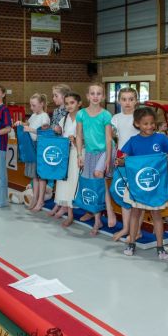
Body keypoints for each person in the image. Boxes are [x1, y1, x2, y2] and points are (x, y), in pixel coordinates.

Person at [119, 106, 168, 259]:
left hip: (155, 186)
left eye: (152, 123)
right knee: (135, 214)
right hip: (137, 186)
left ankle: (160, 247)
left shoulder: (161, 139)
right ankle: (131, 243)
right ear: (137, 124)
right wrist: (119, 162)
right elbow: (125, 159)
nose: (150, 126)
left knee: (157, 215)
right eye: (145, 124)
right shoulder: (133, 141)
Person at [75, 83, 113, 235]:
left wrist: (108, 159)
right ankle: (96, 215)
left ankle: (101, 217)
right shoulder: (81, 114)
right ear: (88, 96)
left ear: (103, 96)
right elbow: (79, 135)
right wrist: (79, 155)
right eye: (93, 93)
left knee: (98, 179)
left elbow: (109, 139)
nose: (95, 96)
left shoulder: (105, 115)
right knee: (92, 185)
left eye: (98, 94)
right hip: (90, 153)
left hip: (104, 151)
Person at [110, 87, 140, 241]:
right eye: (124, 99)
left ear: (136, 101)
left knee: (136, 196)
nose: (127, 102)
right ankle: (126, 227)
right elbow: (113, 139)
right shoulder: (115, 118)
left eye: (131, 99)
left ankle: (136, 230)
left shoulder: (140, 117)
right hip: (121, 159)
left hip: (136, 159)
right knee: (121, 192)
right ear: (119, 100)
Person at [48, 92, 81, 227]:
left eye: (72, 103)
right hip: (66, 154)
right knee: (64, 184)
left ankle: (72, 213)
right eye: (66, 103)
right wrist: (57, 130)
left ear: (79, 103)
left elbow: (87, 138)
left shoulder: (83, 118)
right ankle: (67, 212)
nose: (69, 106)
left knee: (73, 184)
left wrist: (78, 140)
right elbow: (61, 134)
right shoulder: (65, 118)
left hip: (77, 153)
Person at [16, 93, 51, 212]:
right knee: (34, 176)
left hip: (40, 147)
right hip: (32, 146)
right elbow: (27, 123)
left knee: (41, 177)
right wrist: (21, 123)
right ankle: (35, 198)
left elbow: (45, 132)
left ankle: (40, 200)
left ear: (41, 104)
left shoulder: (44, 116)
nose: (31, 108)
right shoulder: (34, 115)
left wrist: (30, 129)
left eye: (34, 105)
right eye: (31, 105)